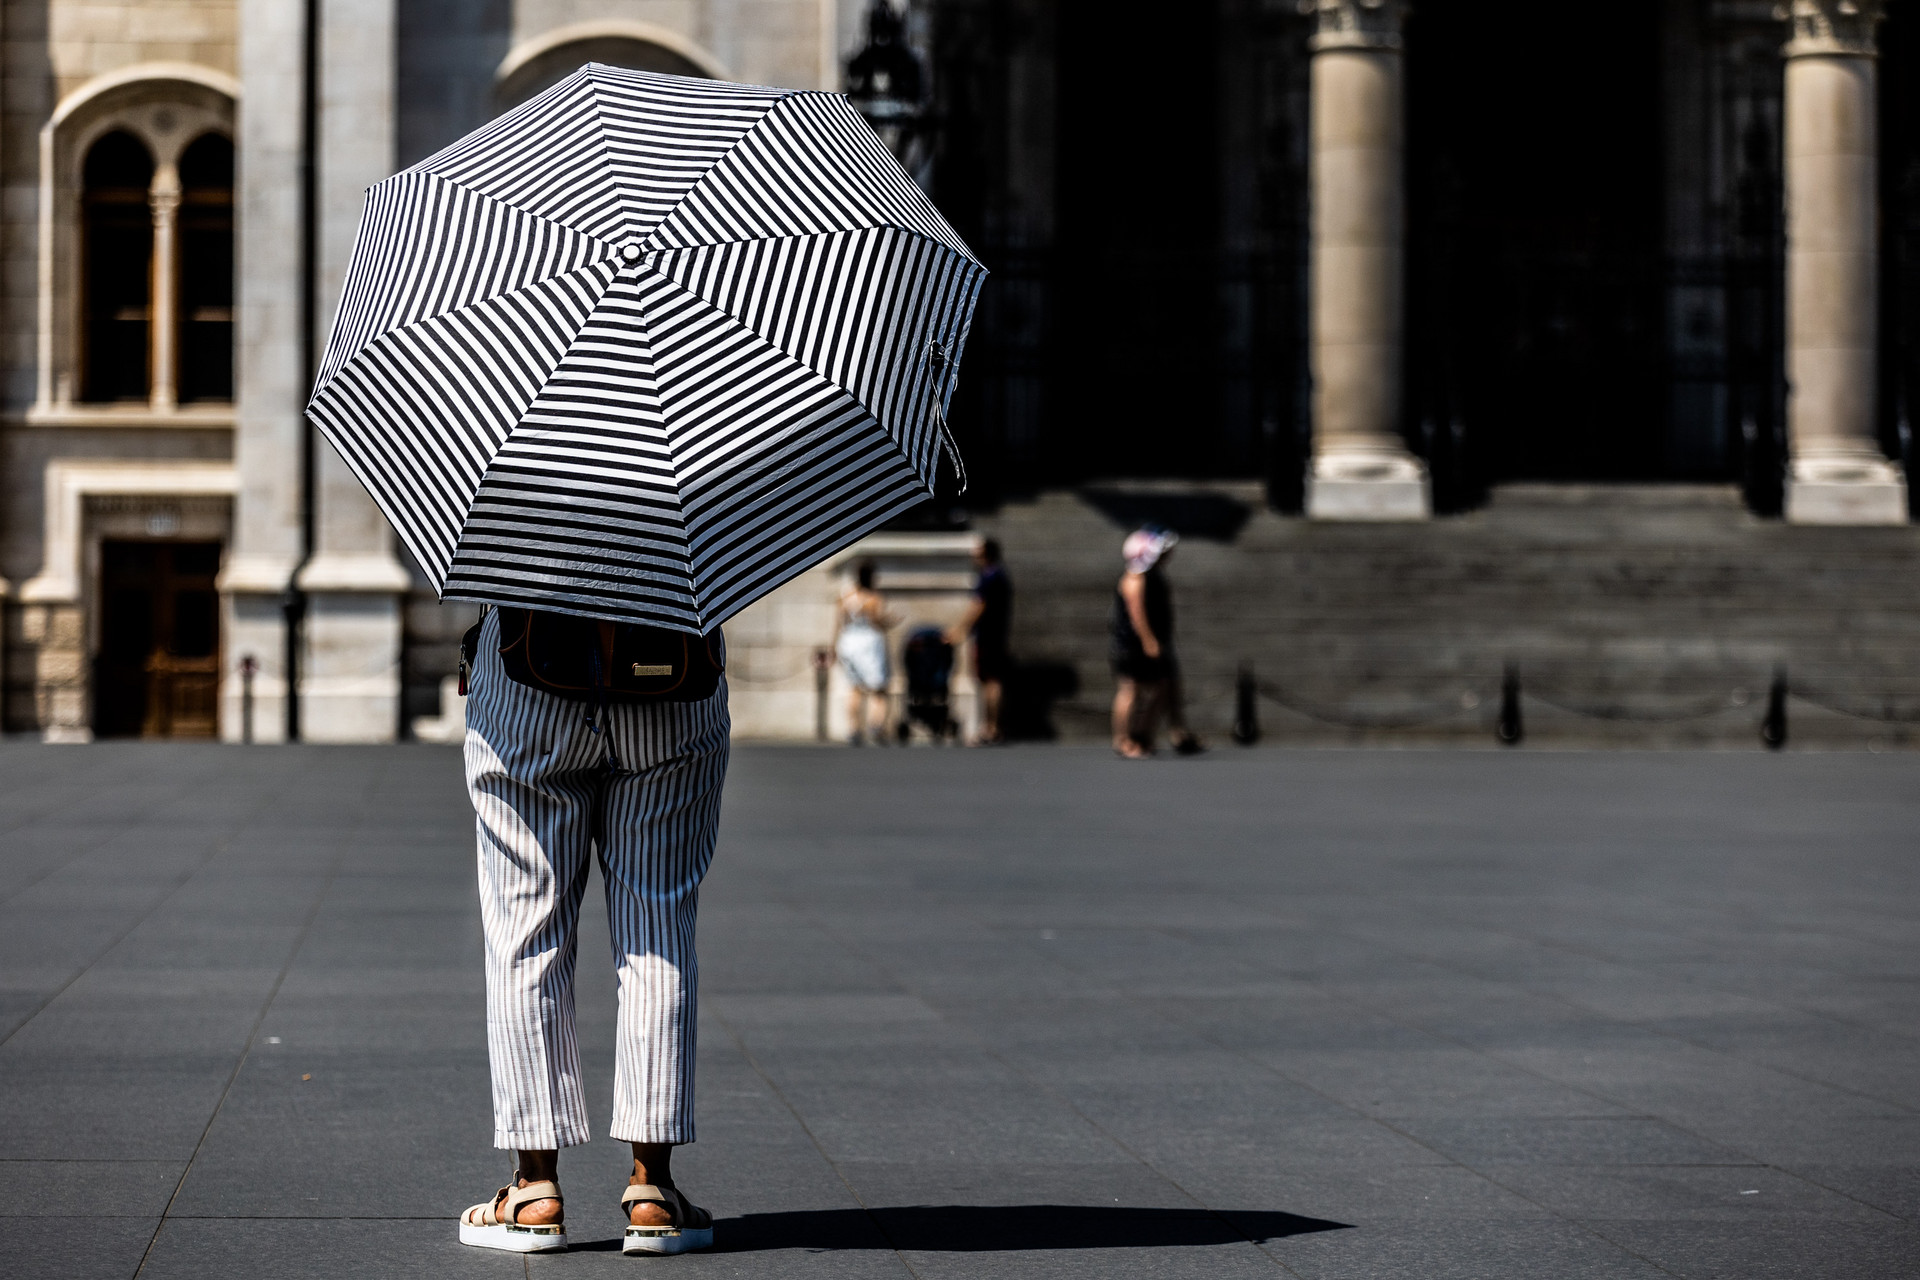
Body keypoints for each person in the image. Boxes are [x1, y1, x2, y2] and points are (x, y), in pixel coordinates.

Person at [455, 607, 729, 1256]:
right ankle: (653, 1189)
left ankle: (534, 1189)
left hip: (531, 678)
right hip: (672, 677)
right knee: (658, 926)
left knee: (525, 932)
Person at [1109, 526, 1204, 759]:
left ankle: (1142, 735)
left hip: (1150, 642)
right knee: (1130, 689)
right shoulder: (1136, 576)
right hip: (1131, 644)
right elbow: (1136, 612)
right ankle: (1123, 739)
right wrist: (1148, 640)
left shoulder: (1154, 575)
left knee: (1163, 687)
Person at [947, 537, 1012, 744]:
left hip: (987, 635)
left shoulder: (988, 577)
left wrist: (959, 629)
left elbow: (978, 606)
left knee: (989, 681)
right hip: (998, 633)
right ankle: (994, 727)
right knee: (994, 681)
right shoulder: (1001, 576)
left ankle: (990, 727)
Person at [835, 559, 898, 744]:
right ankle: (876, 724)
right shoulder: (873, 598)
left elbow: (839, 623)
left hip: (849, 641)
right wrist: (892, 621)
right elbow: (876, 622)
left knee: (854, 687)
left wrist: (834, 647)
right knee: (879, 688)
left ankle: (853, 728)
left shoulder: (846, 596)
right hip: (869, 643)